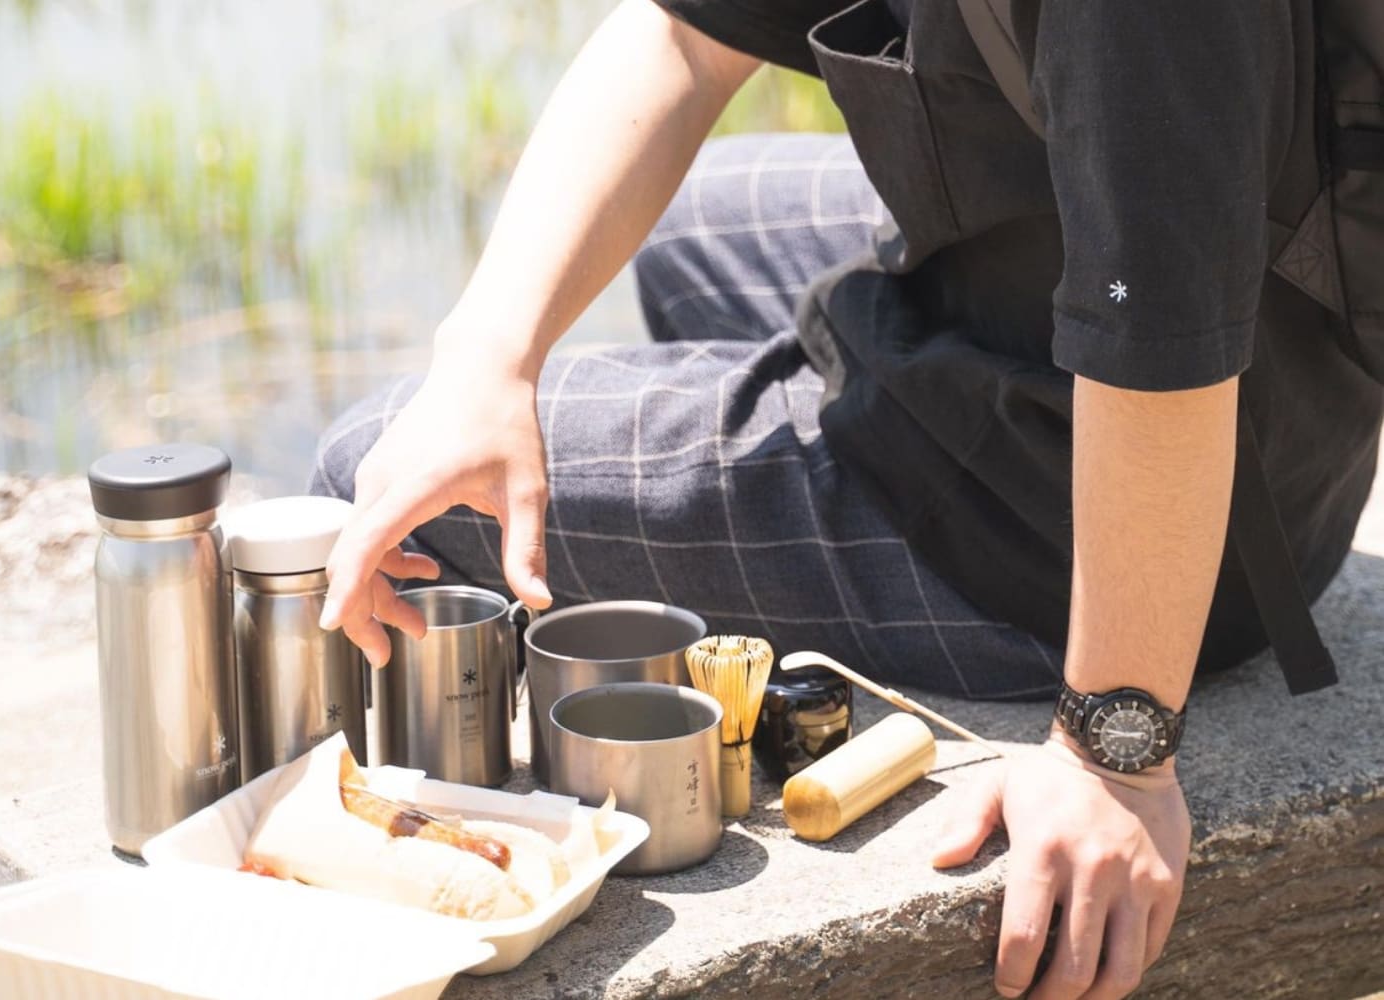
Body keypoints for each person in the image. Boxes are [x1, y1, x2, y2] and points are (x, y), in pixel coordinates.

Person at [309, 1, 1383, 996]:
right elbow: (684, 37)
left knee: (374, 472)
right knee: (694, 229)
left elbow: (1161, 343)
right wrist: (485, 360)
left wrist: (1116, 755)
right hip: (1075, 284)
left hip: (1139, 492)